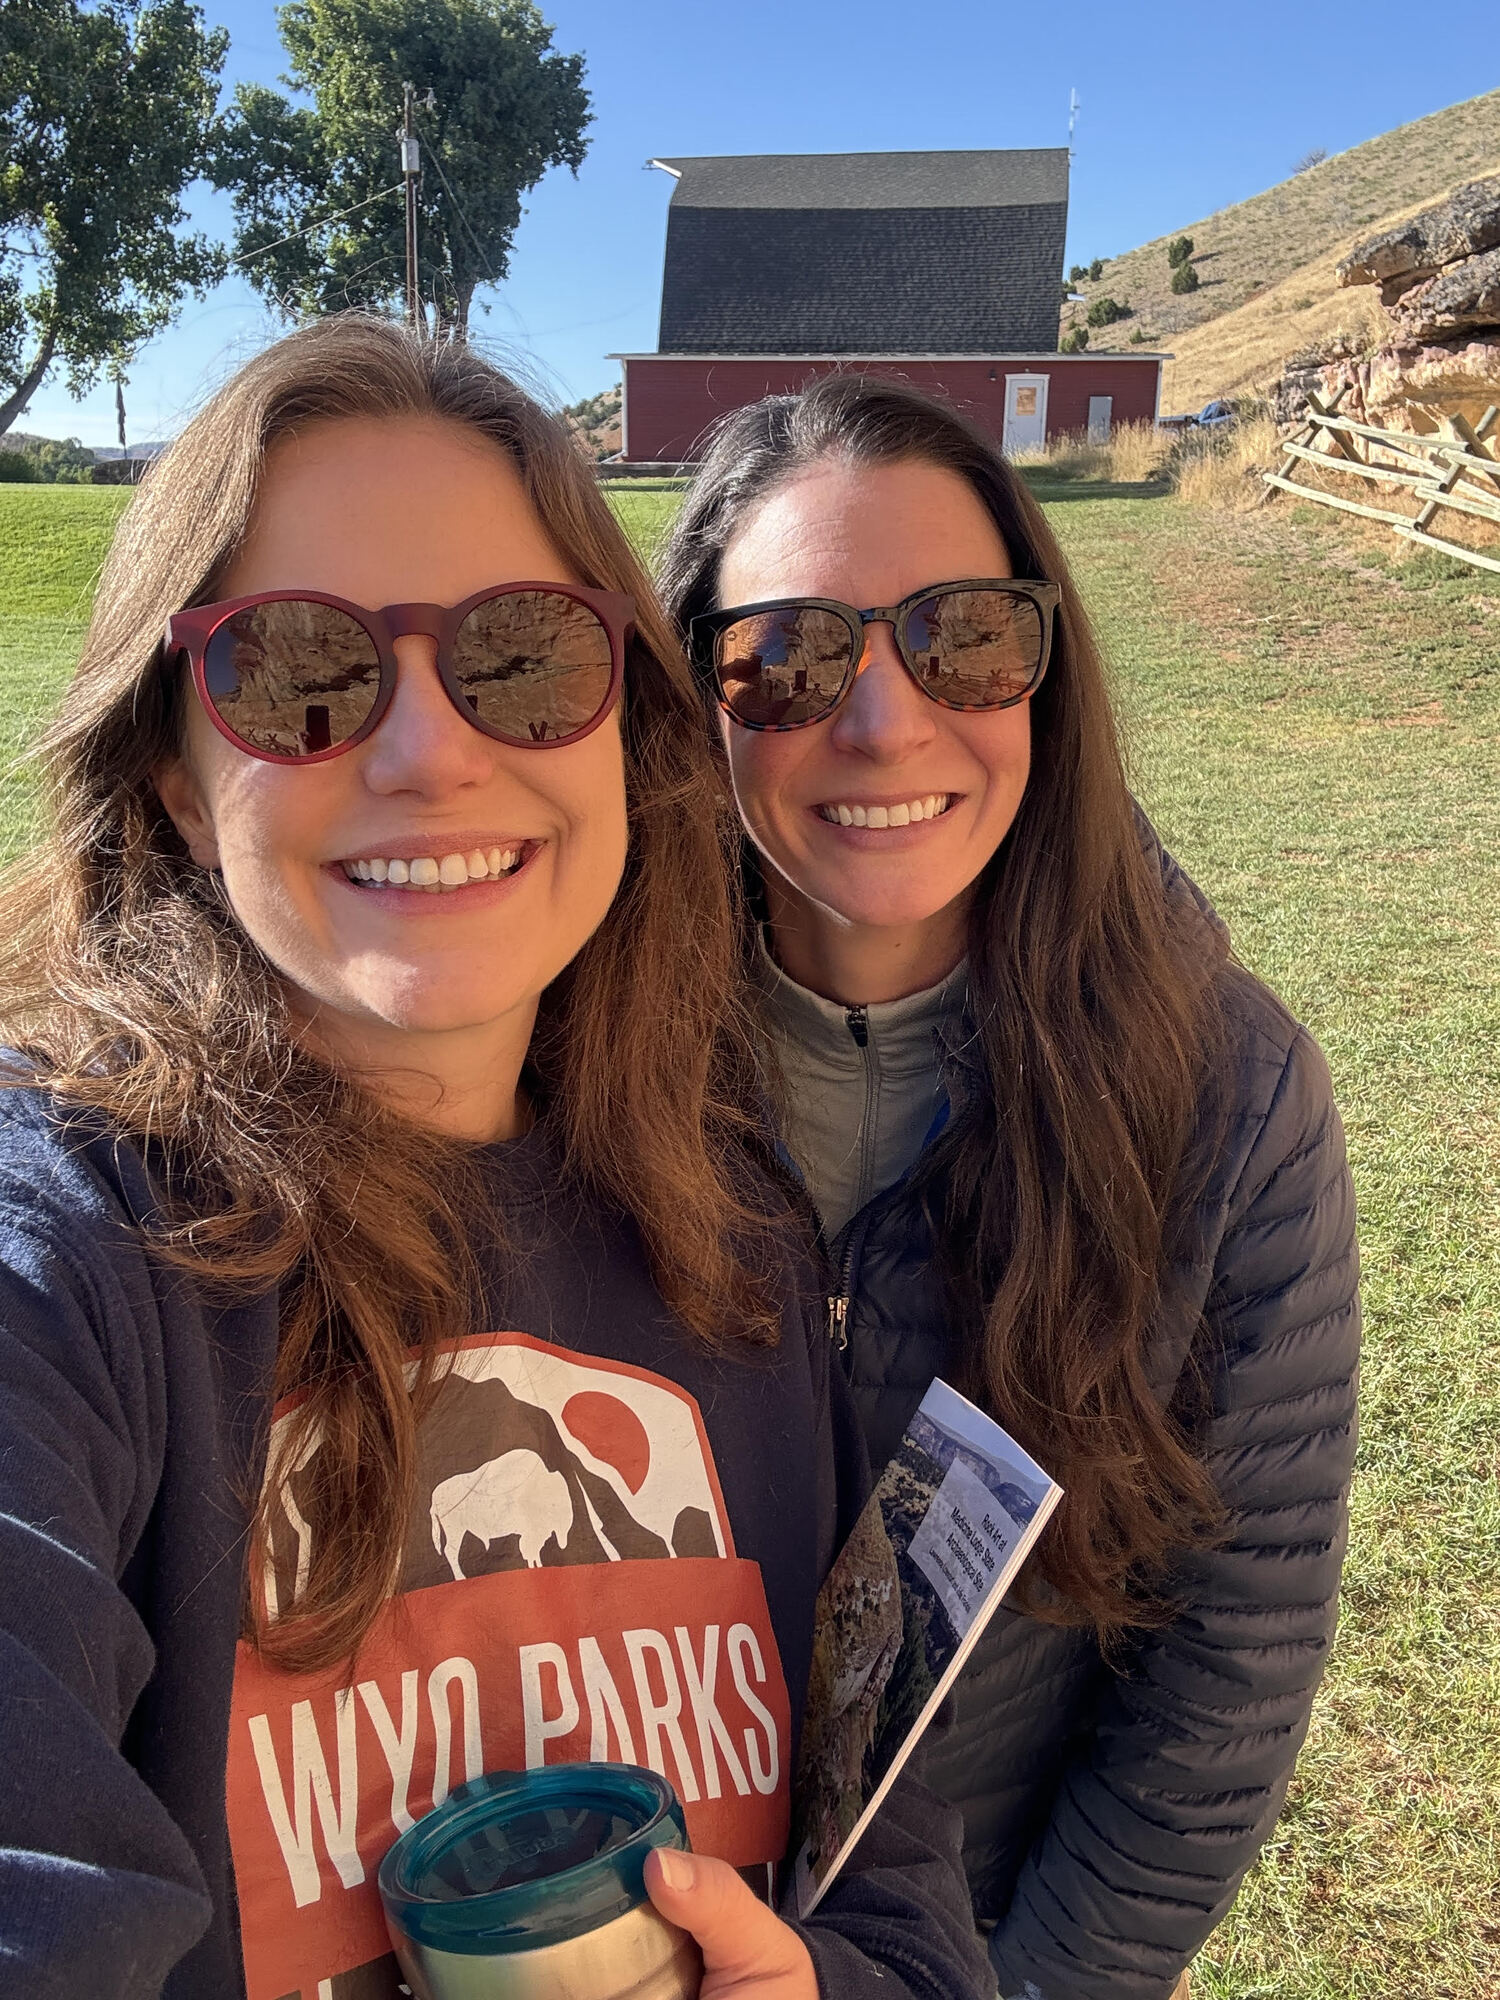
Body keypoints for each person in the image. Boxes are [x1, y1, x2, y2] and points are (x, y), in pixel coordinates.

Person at [0, 321, 995, 2000]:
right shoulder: (76, 1254)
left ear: (622, 730)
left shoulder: (737, 1244)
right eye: (298, 672)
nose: (427, 753)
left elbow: (892, 1895)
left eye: (522, 657)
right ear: (174, 778)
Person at [659, 374, 1361, 2000]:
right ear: (694, 698)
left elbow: (1224, 1679)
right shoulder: (560, 1057)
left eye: (962, 637)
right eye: (789, 658)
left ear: (1044, 673)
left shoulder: (1229, 1099)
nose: (884, 720)